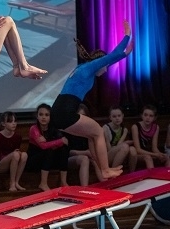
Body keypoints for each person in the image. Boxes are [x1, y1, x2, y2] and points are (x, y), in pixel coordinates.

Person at [50, 20, 134, 179]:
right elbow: (112, 56)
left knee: (91, 135)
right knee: (98, 131)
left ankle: (102, 169)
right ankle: (105, 169)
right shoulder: (89, 68)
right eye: (105, 66)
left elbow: (111, 58)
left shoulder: (82, 68)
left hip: (58, 112)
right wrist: (127, 37)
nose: (106, 69)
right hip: (65, 111)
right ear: (98, 64)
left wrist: (124, 54)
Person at [26, 103, 69, 191]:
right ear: (37, 116)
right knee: (48, 151)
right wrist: (59, 141)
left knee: (63, 150)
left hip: (47, 160)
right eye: (41, 115)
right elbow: (43, 146)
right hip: (33, 161)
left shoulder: (53, 129)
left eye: (46, 115)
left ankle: (63, 182)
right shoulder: (34, 128)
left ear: (50, 117)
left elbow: (62, 144)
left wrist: (57, 143)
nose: (43, 117)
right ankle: (43, 183)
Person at [66, 104, 103, 186]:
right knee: (84, 159)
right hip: (68, 159)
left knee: (94, 158)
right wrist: (86, 153)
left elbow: (93, 149)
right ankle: (85, 188)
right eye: (79, 116)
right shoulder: (68, 129)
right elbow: (68, 152)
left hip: (87, 155)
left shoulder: (89, 131)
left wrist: (90, 153)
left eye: (84, 116)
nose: (81, 119)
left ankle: (104, 182)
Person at [0, 111, 27, 191]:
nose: (14, 123)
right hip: (0, 164)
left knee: (24, 154)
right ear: (3, 123)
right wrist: (12, 154)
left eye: (15, 121)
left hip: (13, 161)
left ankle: (16, 182)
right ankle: (11, 184)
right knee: (15, 155)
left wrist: (15, 153)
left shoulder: (18, 136)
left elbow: (16, 151)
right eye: (10, 121)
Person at [131, 104, 170, 171]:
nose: (148, 118)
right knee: (148, 158)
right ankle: (152, 177)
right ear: (142, 116)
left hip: (149, 153)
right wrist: (155, 155)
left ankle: (167, 176)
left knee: (166, 157)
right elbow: (138, 149)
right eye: (145, 115)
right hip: (136, 154)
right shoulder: (136, 127)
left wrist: (160, 154)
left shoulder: (155, 127)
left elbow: (154, 148)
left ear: (154, 118)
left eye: (151, 116)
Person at [103, 106, 137, 170]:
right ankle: (112, 172)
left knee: (132, 149)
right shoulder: (105, 129)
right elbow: (109, 149)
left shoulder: (124, 130)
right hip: (107, 155)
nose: (117, 118)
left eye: (119, 116)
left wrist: (124, 141)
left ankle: (132, 174)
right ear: (110, 117)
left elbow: (119, 144)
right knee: (125, 146)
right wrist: (125, 143)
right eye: (114, 116)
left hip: (119, 152)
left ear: (122, 116)